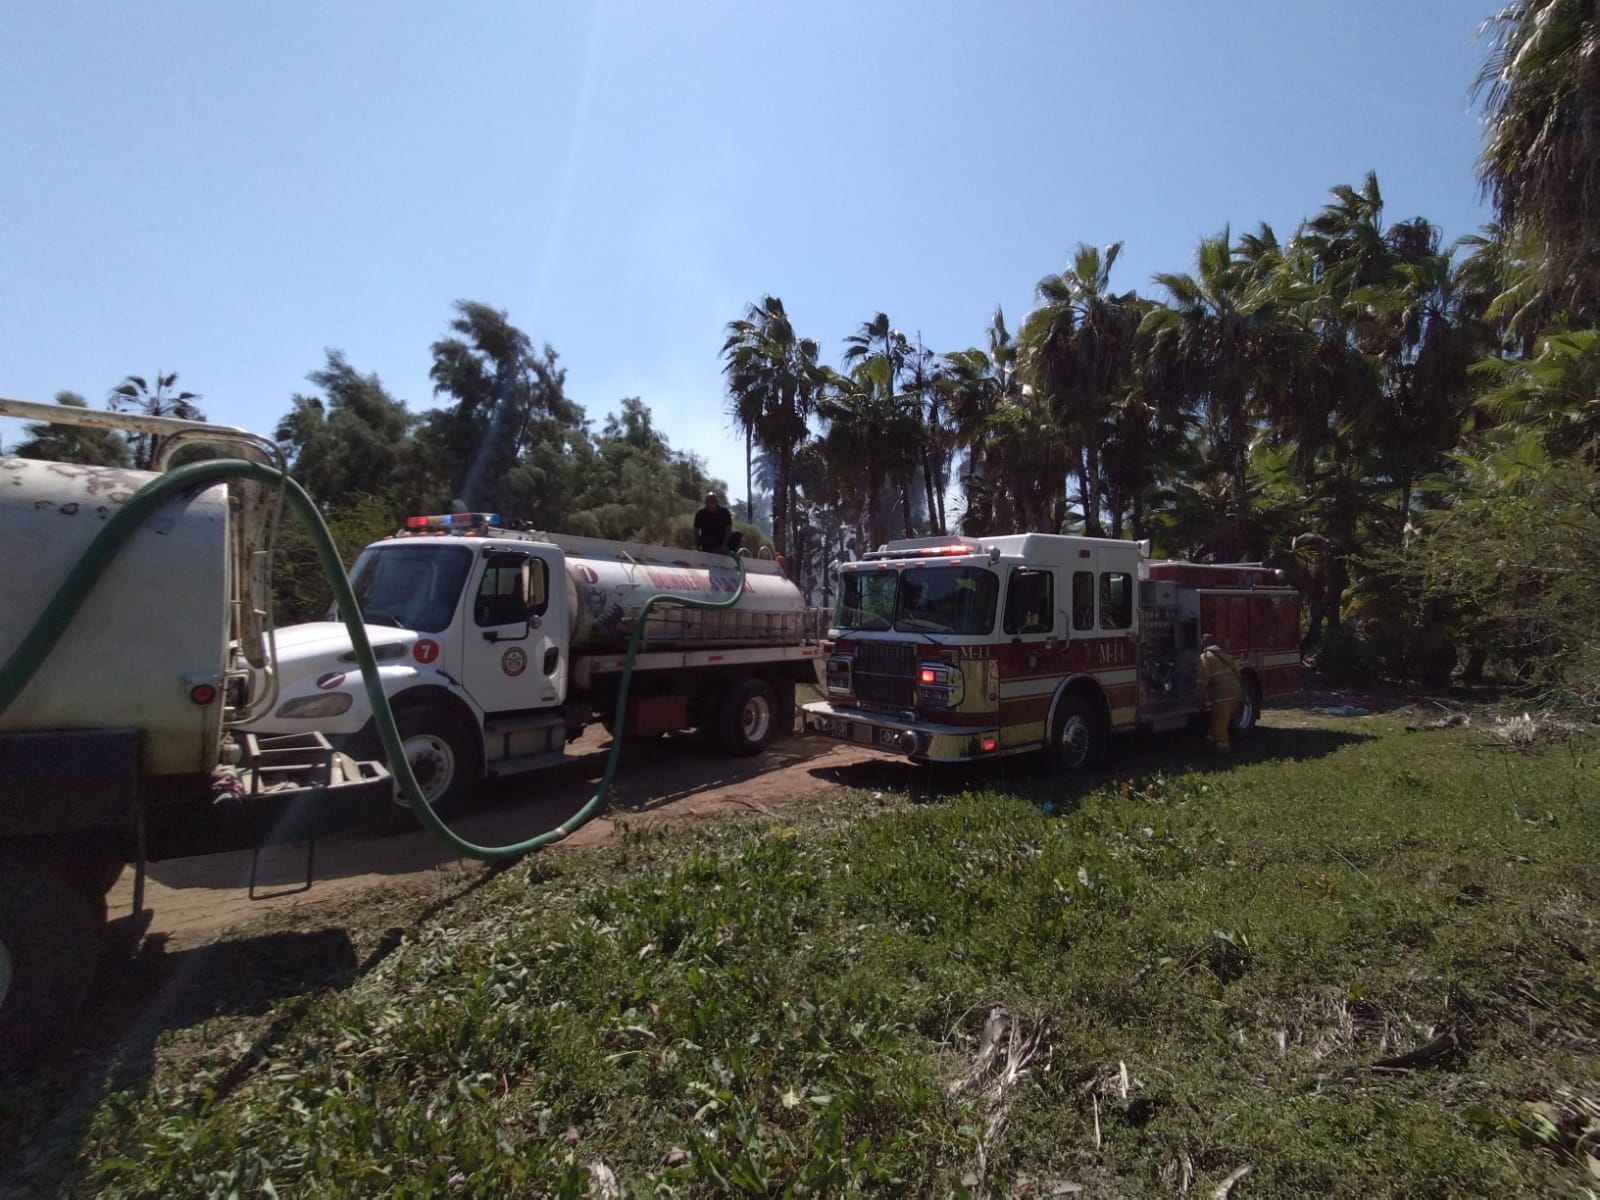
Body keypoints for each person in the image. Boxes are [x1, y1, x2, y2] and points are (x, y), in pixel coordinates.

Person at [1196, 633, 1243, 752]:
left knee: (1220, 724)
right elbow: (1237, 672)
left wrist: (1199, 696)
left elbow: (1203, 680)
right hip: (1236, 693)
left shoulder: (1205, 657)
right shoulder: (1223, 655)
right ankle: (1210, 740)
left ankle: (1223, 749)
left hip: (1222, 696)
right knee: (1219, 719)